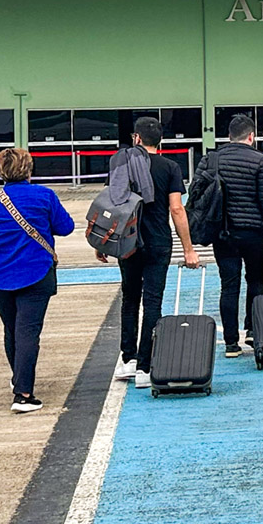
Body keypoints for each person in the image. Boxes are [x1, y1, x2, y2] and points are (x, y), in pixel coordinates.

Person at [97, 117, 200, 390]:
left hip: (127, 243)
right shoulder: (170, 167)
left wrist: (101, 243)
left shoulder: (122, 164)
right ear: (160, 141)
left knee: (130, 298)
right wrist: (188, 249)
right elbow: (177, 209)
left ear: (137, 139)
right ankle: (145, 366)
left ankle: (127, 360)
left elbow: (111, 204)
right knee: (153, 301)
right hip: (157, 242)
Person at [0, 148, 75, 413]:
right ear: (29, 169)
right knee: (28, 331)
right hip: (36, 273)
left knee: (11, 329)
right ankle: (23, 394)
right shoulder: (44, 196)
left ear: (1, 171)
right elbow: (66, 227)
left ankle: (19, 377)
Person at [212, 113, 263, 357]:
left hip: (223, 232)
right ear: (251, 136)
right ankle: (253, 330)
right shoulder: (259, 162)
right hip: (253, 233)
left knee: (228, 286)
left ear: (229, 136)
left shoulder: (213, 160)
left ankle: (231, 342)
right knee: (255, 280)